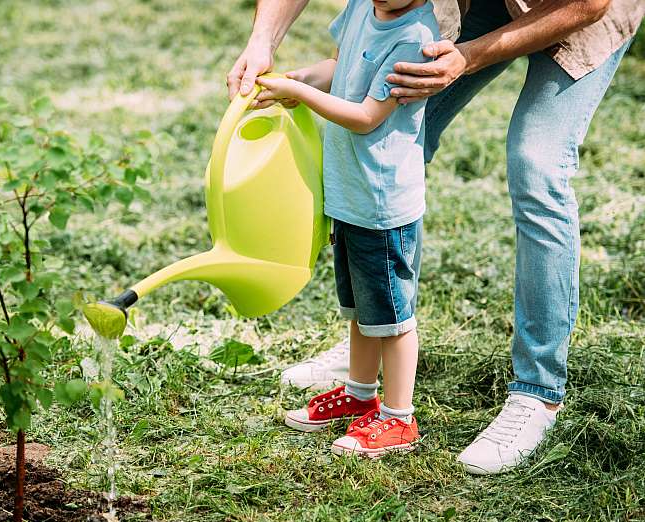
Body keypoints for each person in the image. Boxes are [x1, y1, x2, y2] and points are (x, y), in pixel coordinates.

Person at [228, 0, 643, 473]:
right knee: (396, 135)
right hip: (485, 5)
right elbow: (352, 79)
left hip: (579, 8)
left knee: (537, 165)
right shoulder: (393, 17)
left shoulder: (413, 28)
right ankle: (372, 346)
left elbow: (587, 5)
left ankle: (537, 391)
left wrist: (468, 55)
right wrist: (263, 42)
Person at [265, 0, 439, 458]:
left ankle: (400, 419)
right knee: (362, 311)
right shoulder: (364, 7)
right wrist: (300, 80)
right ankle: (361, 395)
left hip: (382, 202)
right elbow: (339, 67)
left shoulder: (416, 39)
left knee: (393, 320)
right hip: (350, 194)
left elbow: (366, 118)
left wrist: (301, 96)